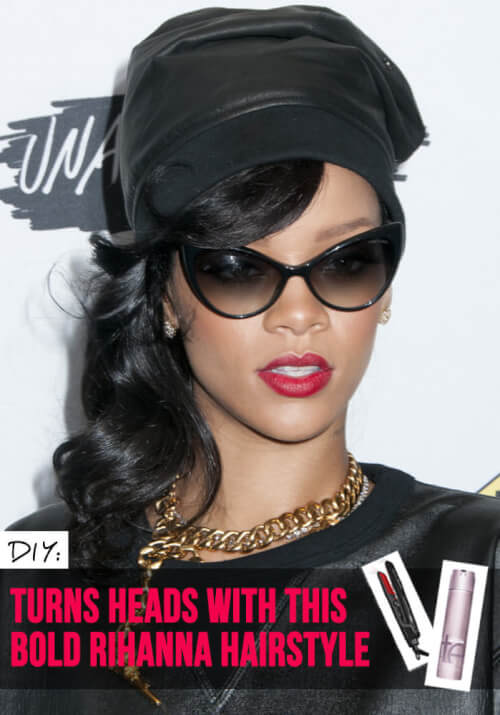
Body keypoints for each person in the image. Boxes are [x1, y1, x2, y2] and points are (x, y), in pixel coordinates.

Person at [4, 5, 499, 715]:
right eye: (238, 268)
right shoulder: (37, 565)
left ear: (386, 287)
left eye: (346, 262)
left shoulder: (474, 563)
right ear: (165, 294)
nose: (299, 313)